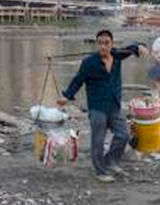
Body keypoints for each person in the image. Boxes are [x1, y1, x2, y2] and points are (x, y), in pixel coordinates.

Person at [57, 30, 148, 183]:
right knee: (98, 140)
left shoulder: (117, 55)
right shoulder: (89, 62)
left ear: (111, 44)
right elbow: (78, 80)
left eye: (107, 43)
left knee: (123, 135)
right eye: (100, 43)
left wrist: (140, 46)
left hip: (114, 105)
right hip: (97, 106)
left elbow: (131, 49)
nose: (103, 46)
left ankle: (110, 162)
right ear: (96, 44)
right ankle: (100, 171)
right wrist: (66, 96)